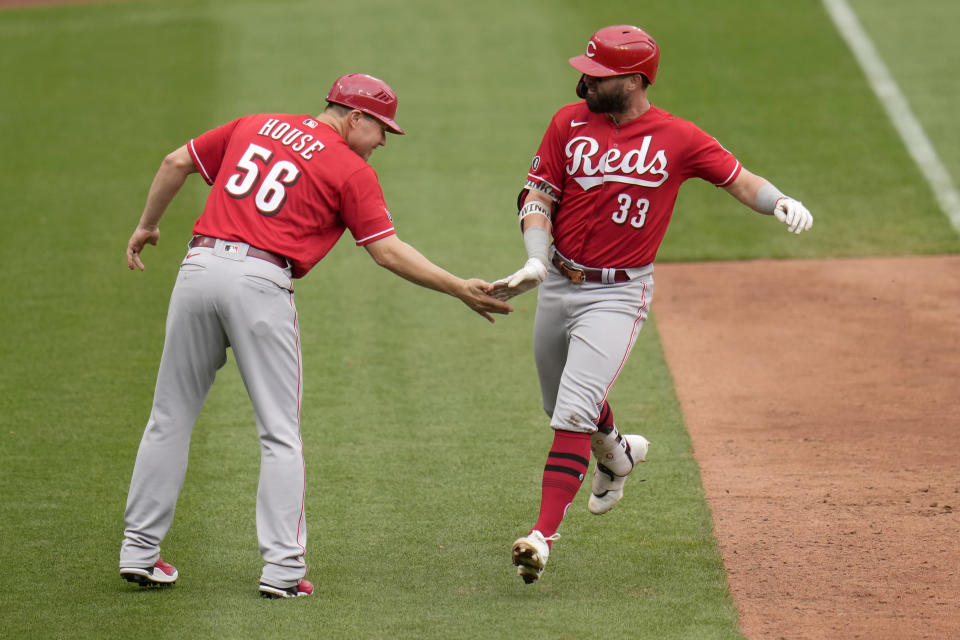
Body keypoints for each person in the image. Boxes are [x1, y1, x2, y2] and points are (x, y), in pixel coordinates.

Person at [119, 73, 513, 598]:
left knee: (168, 417)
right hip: (259, 282)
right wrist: (458, 287)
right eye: (380, 131)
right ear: (355, 118)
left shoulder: (255, 124)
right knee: (280, 433)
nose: (381, 144)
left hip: (197, 268)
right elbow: (387, 251)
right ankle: (281, 570)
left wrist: (147, 224)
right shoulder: (349, 169)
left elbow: (176, 162)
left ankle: (139, 552)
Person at [491, 25, 813, 584]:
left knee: (572, 411)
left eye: (596, 75)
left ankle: (541, 536)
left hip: (618, 293)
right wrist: (536, 261)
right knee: (560, 404)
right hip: (559, 280)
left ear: (635, 80)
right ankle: (617, 455)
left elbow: (738, 180)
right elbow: (538, 194)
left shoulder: (679, 138)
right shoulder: (568, 124)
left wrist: (780, 200)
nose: (582, 82)